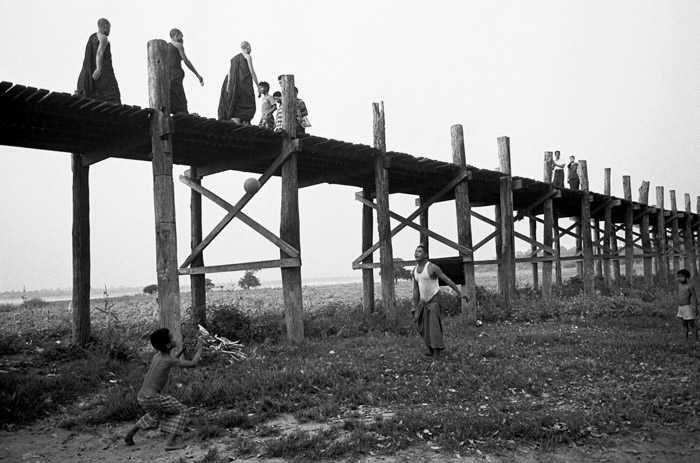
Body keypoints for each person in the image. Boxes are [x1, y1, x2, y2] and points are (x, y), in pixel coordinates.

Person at [124, 328, 203, 450]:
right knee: (183, 410)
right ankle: (170, 443)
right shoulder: (168, 360)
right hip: (152, 396)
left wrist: (182, 350)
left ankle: (130, 434)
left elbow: (172, 361)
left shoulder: (158, 356)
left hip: (142, 396)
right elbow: (193, 363)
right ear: (168, 345)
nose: (175, 338)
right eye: (172, 337)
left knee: (154, 414)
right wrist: (200, 349)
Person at [412, 245, 469, 358]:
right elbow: (415, 289)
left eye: (419, 252)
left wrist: (460, 293)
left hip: (434, 300)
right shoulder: (414, 271)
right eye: (415, 251)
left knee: (434, 326)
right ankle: (430, 350)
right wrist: (415, 306)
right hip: (423, 302)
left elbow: (446, 279)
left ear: (426, 255)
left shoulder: (432, 267)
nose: (416, 253)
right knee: (423, 326)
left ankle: (437, 353)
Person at [76, 18, 121, 104]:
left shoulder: (93, 38)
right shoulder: (103, 38)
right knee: (113, 94)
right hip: (102, 73)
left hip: (90, 74)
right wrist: (99, 69)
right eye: (109, 28)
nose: (109, 31)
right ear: (105, 26)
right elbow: (99, 52)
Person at [218, 41, 259, 124]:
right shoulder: (247, 56)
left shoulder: (234, 59)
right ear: (247, 47)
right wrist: (258, 86)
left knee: (235, 100)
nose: (251, 49)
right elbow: (252, 72)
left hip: (234, 85)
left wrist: (227, 87)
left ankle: (235, 118)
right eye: (250, 47)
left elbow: (229, 74)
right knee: (248, 101)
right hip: (244, 84)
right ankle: (240, 118)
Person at [167, 28, 204, 115]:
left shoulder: (166, 46)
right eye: (181, 36)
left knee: (172, 93)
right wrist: (197, 74)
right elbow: (186, 61)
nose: (182, 38)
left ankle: (174, 111)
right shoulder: (178, 45)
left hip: (168, 74)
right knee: (179, 95)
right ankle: (182, 112)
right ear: (176, 35)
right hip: (175, 73)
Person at [676, 269, 698, 342]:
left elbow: (694, 297)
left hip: (687, 307)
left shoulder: (689, 286)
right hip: (681, 307)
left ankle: (695, 340)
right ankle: (685, 339)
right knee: (684, 324)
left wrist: (695, 308)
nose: (680, 278)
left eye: (682, 276)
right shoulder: (679, 286)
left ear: (687, 277)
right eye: (678, 277)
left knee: (692, 324)